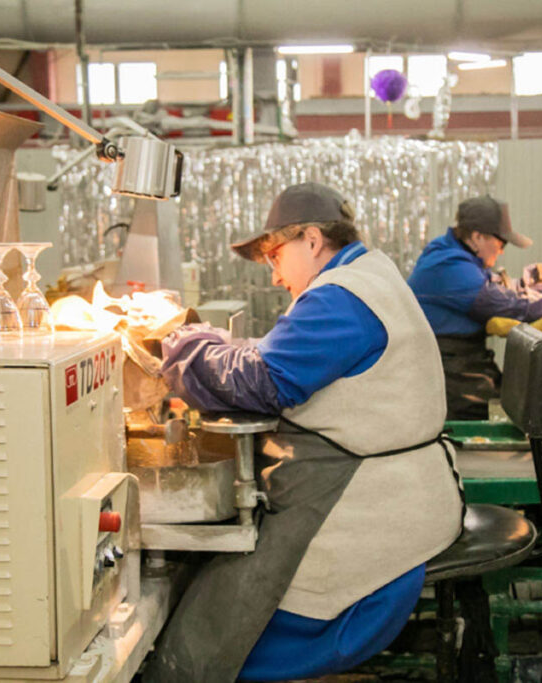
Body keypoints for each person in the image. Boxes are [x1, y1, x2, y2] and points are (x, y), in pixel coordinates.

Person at [144, 182, 463, 682]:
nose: (274, 275)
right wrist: (218, 346)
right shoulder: (365, 277)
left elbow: (260, 381)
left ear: (312, 240)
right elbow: (279, 355)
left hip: (371, 511)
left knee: (222, 628)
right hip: (394, 491)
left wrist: (185, 345)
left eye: (275, 255)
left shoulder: (341, 298)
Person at [407, 195, 542, 420]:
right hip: (453, 379)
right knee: (507, 413)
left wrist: (537, 276)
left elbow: (501, 288)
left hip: (464, 365)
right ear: (477, 236)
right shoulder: (448, 266)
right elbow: (507, 305)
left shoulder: (454, 255)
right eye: (501, 243)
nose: (502, 251)